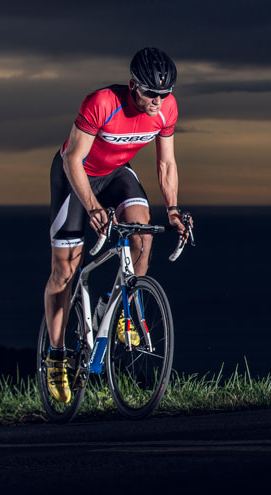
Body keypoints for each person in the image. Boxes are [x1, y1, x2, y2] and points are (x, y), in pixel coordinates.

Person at [44, 47, 189, 403]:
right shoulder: (102, 102)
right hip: (76, 177)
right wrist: (92, 208)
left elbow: (166, 164)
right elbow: (72, 159)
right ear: (132, 86)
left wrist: (172, 210)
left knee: (143, 236)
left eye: (164, 94)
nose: (158, 101)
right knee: (65, 270)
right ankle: (57, 355)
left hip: (116, 175)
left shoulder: (166, 109)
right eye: (150, 94)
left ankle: (122, 305)